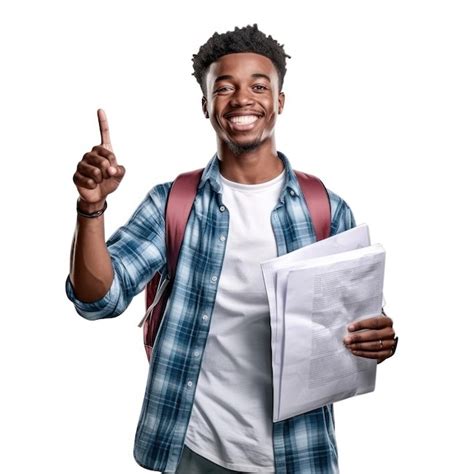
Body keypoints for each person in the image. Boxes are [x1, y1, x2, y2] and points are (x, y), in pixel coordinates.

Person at [66, 24, 397, 474]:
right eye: (225, 87)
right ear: (206, 105)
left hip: (297, 452)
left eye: (259, 86)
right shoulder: (172, 204)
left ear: (279, 102)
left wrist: (377, 338)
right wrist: (92, 208)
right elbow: (97, 299)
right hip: (194, 449)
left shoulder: (327, 210)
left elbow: (359, 324)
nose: (243, 98)